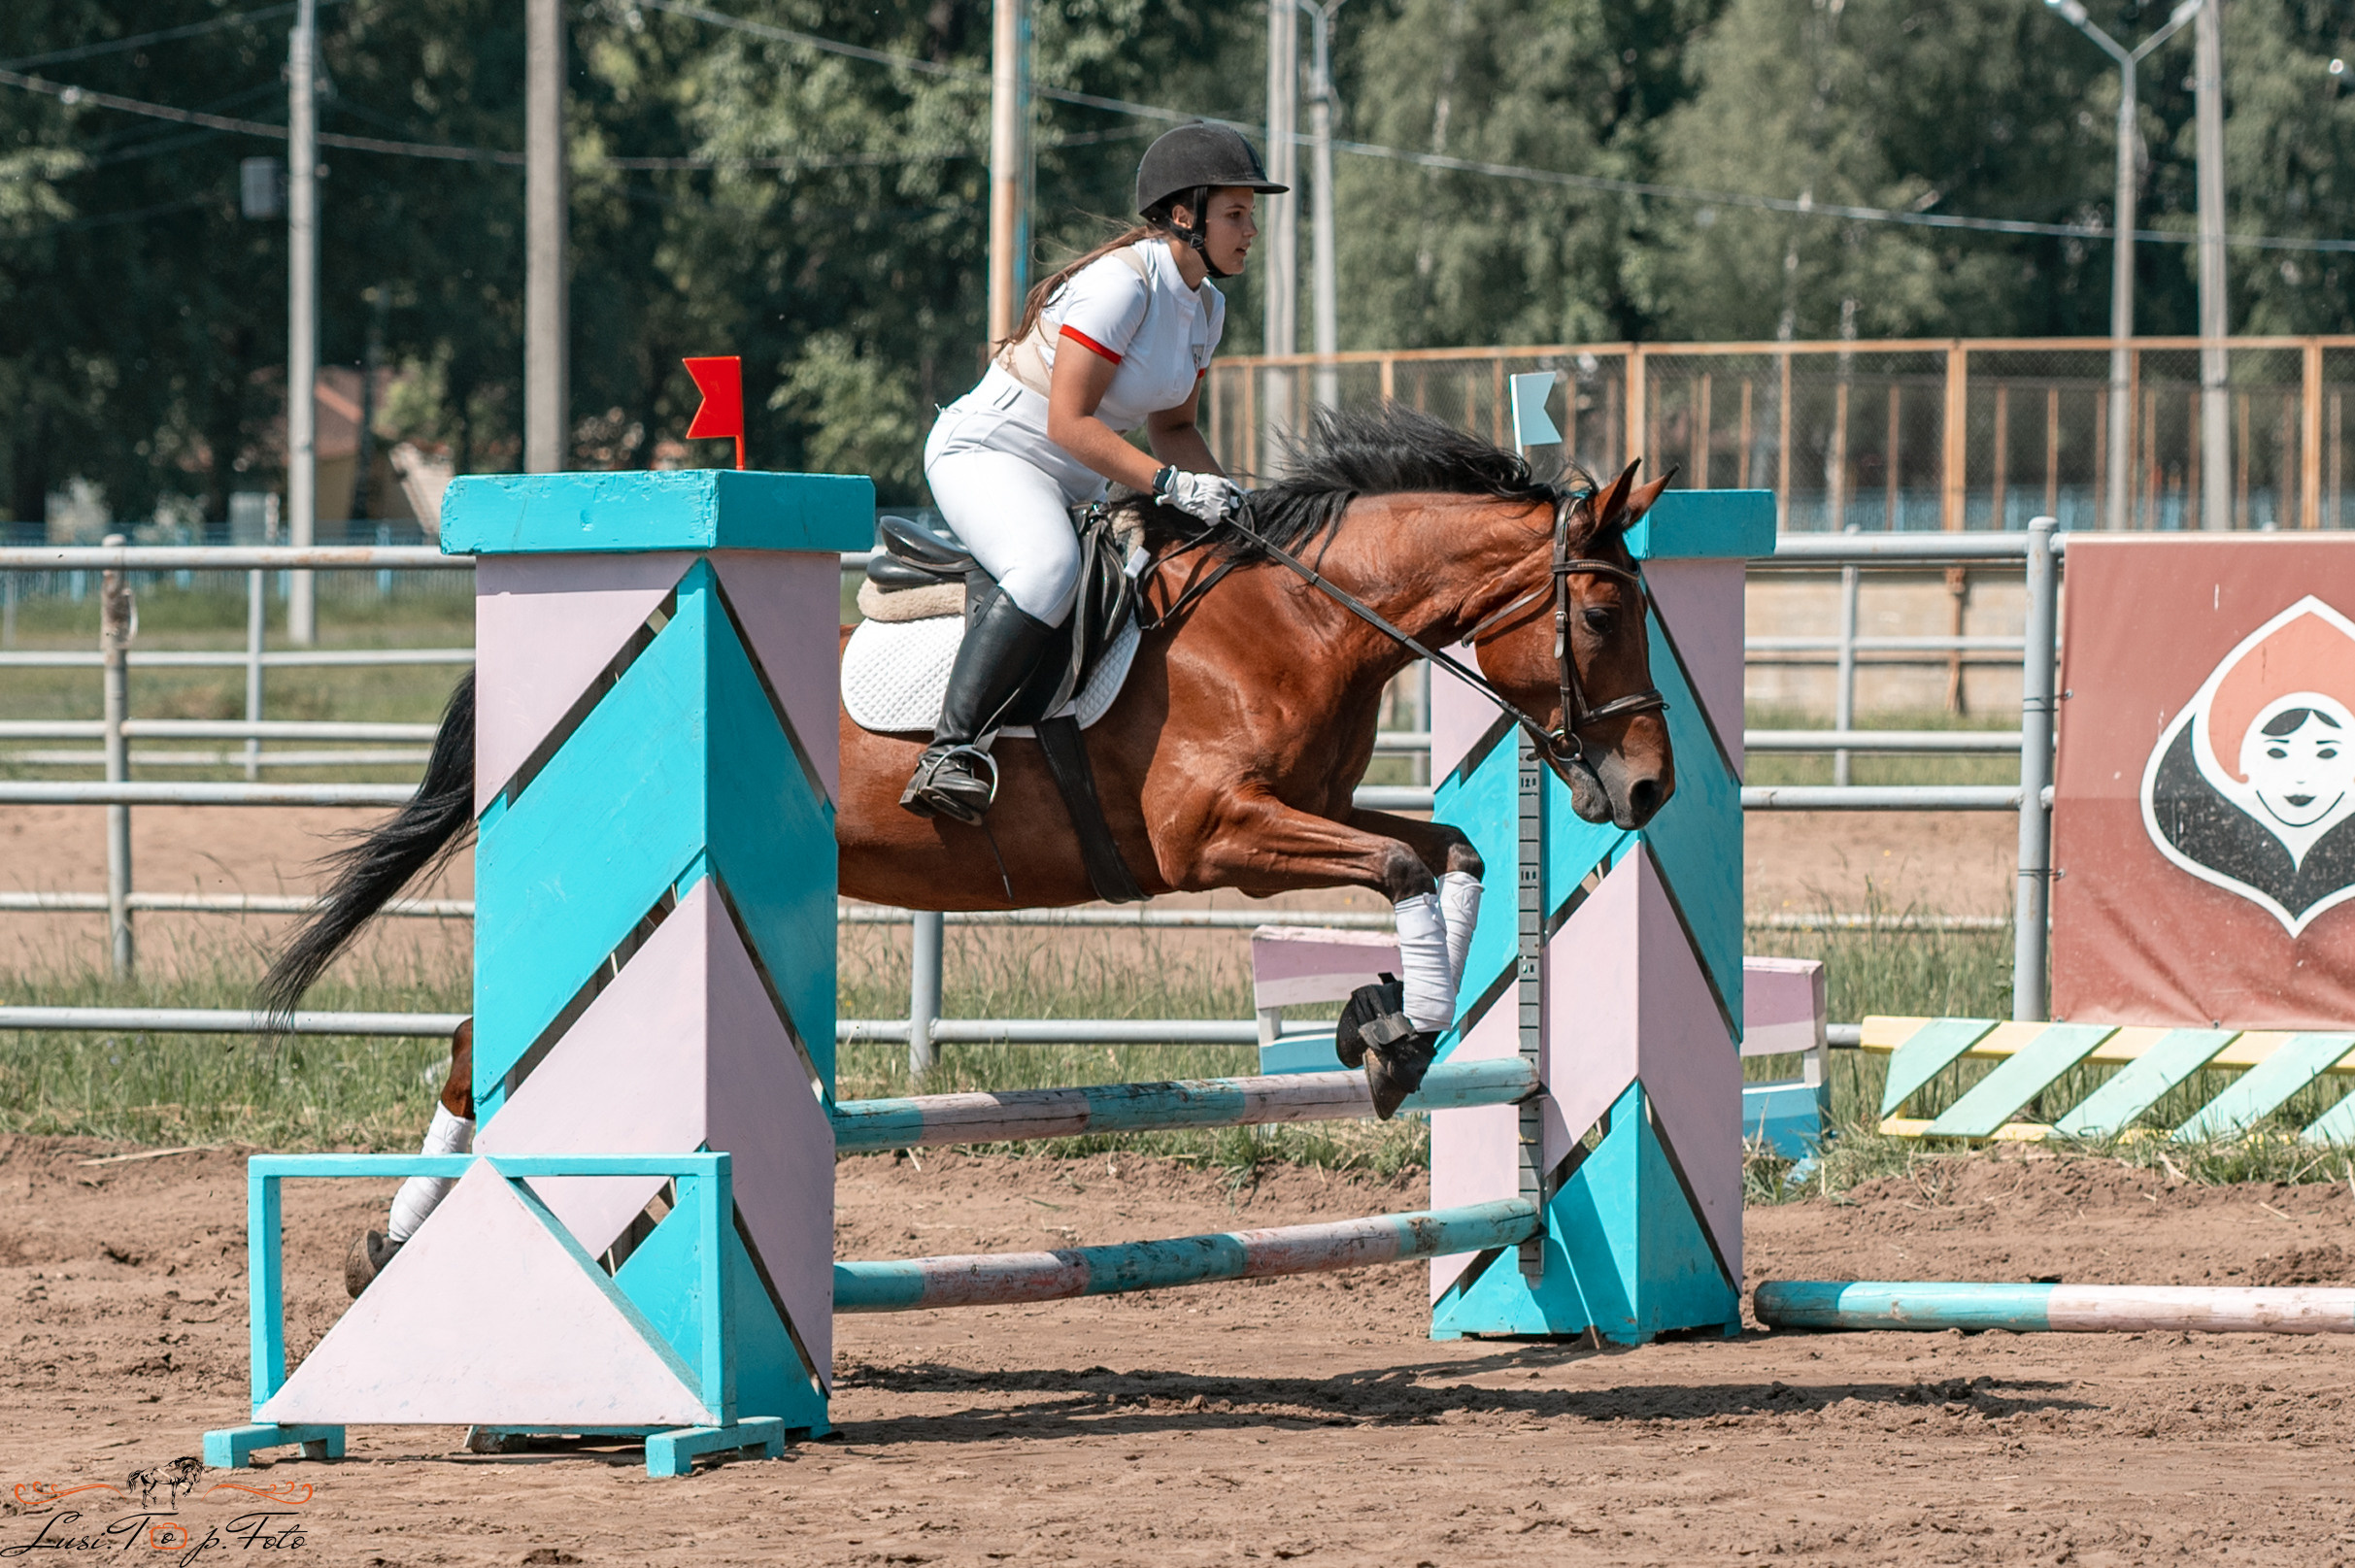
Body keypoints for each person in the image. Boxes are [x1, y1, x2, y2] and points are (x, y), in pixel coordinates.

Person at [902, 121, 1287, 824]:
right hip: (991, 454)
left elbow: (1174, 428)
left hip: (1076, 476)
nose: (1249, 230)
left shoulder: (1208, 307)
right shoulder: (1121, 285)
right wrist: (1169, 486)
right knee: (1049, 569)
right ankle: (950, 751)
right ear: (1183, 214)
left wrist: (1237, 505)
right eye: (1235, 213)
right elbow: (1067, 423)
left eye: (1249, 215)